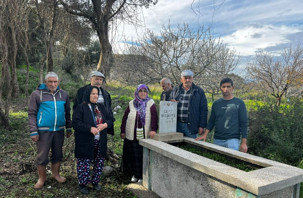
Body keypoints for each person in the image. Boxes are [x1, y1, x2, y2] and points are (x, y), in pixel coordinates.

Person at [28, 72, 72, 189]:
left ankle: (56, 175)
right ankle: (41, 179)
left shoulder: (64, 95)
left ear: (58, 82)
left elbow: (67, 112)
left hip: (59, 130)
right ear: (46, 82)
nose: (53, 84)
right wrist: (33, 130)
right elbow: (32, 113)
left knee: (58, 153)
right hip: (43, 131)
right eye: (50, 82)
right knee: (42, 156)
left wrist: (68, 127)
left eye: (55, 82)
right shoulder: (37, 94)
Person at [72, 86, 114, 194]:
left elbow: (110, 119)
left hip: (100, 140)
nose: (95, 96)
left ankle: (95, 182)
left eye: (97, 94)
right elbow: (76, 123)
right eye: (93, 94)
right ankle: (83, 184)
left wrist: (105, 125)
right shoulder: (81, 107)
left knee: (99, 161)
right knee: (84, 162)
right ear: (87, 94)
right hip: (85, 141)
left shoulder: (101, 107)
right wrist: (90, 128)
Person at [195, 78, 248, 152]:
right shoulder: (216, 104)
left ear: (233, 88)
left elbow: (244, 123)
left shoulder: (239, 103)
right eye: (223, 87)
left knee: (231, 161)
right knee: (217, 162)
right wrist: (205, 134)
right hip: (217, 139)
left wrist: (244, 142)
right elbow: (211, 121)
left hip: (233, 140)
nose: (226, 89)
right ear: (220, 88)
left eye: (228, 86)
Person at [120, 84, 158, 183]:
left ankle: (142, 176)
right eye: (140, 91)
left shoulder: (150, 103)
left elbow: (154, 117)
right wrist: (122, 130)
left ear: (147, 93)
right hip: (131, 134)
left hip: (144, 135)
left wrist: (153, 129)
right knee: (132, 155)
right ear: (137, 92)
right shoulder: (131, 103)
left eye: (144, 91)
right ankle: (134, 174)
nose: (143, 93)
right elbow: (125, 117)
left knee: (142, 155)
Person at [73, 71, 114, 135]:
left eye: (100, 80)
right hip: (86, 128)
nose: (98, 81)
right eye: (96, 79)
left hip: (102, 127)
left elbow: (109, 110)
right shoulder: (82, 91)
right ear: (91, 79)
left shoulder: (106, 94)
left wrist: (106, 124)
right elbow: (76, 109)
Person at [170, 69, 208, 138]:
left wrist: (202, 126)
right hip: (177, 125)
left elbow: (204, 110)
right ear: (181, 79)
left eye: (189, 78)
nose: (187, 80)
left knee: (191, 147)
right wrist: (171, 103)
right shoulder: (176, 90)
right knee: (176, 146)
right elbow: (169, 104)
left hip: (191, 126)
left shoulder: (199, 91)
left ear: (192, 79)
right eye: (185, 78)